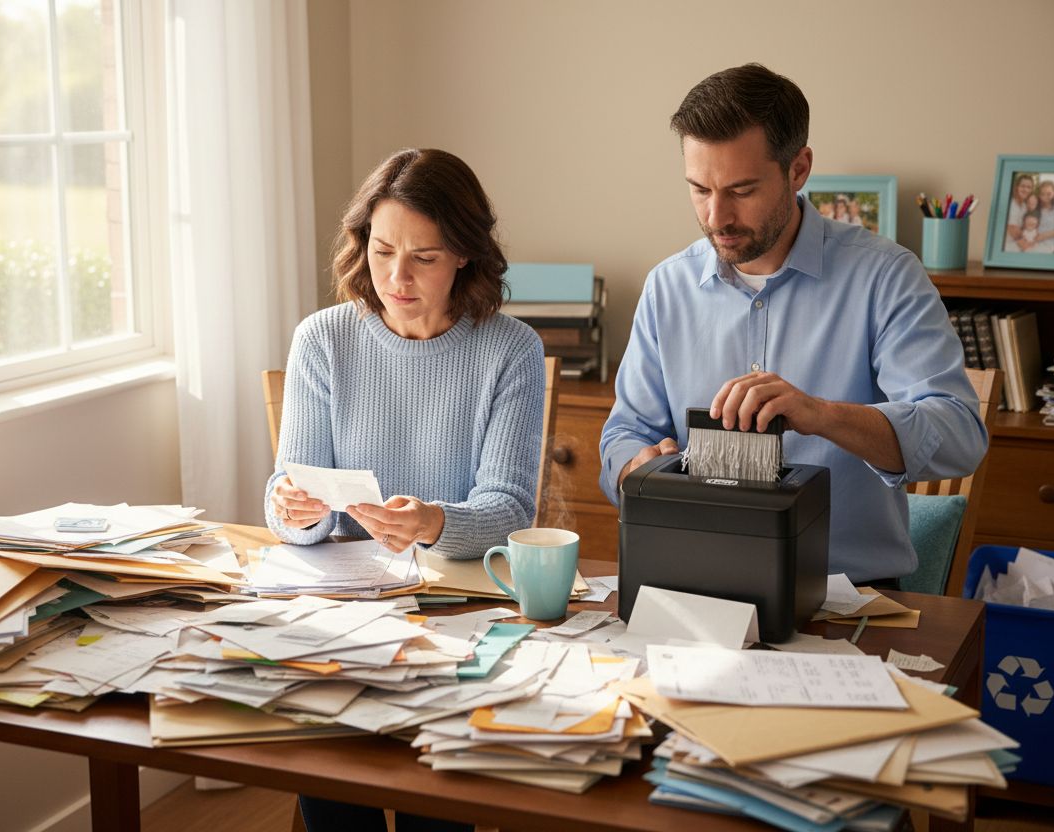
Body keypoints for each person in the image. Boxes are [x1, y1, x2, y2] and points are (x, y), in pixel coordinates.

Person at [599, 63, 986, 583]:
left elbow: (960, 433)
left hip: (847, 599)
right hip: (695, 586)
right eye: (699, 189)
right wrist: (637, 466)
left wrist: (820, 414)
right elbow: (624, 434)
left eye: (741, 190)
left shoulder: (886, 277)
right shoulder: (667, 287)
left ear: (798, 168)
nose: (717, 217)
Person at [264, 147, 544, 832]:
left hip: (455, 614)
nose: (396, 276)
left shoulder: (510, 350)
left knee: (433, 804)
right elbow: (292, 501)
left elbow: (510, 510)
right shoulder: (323, 340)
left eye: (424, 257)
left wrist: (432, 523)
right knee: (330, 770)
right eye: (383, 249)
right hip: (343, 614)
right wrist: (294, 510)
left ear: (464, 258)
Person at [1029, 180, 1054, 254]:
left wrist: (1041, 236)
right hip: (1031, 242)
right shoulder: (1036, 207)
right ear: (1039, 195)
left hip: (1048, 246)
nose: (1046, 197)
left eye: (1049, 194)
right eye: (1042, 194)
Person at [1004, 174, 1035, 251]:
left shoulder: (1024, 206)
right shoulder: (1011, 204)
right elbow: (1013, 230)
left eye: (1029, 187)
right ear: (1017, 187)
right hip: (1009, 245)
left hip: (1020, 242)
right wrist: (1027, 243)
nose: (1026, 190)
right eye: (1022, 186)